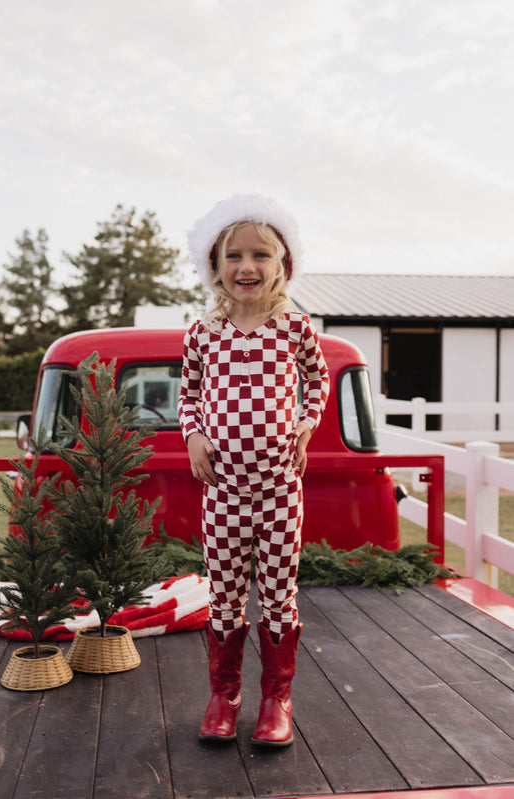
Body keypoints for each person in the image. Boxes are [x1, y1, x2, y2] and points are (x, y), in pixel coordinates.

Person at [178, 193, 330, 747]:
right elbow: (188, 392)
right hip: (222, 494)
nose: (248, 267)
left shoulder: (295, 329)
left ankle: (276, 698)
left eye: (261, 255)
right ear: (216, 266)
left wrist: (306, 424)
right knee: (223, 595)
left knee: (277, 597)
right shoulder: (203, 334)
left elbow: (319, 383)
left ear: (282, 263)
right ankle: (225, 695)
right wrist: (193, 432)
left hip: (279, 492)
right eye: (234, 256)